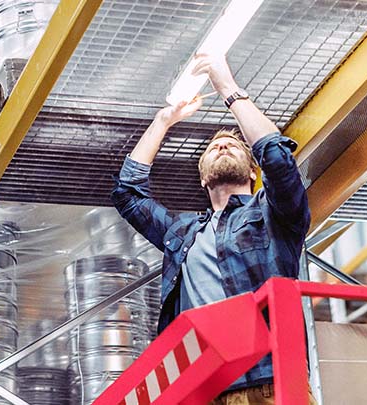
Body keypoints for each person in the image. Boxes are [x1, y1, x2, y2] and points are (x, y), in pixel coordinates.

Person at [111, 53, 316, 405]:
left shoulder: (272, 214)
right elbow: (128, 193)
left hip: (269, 382)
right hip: (200, 389)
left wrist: (227, 87)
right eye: (213, 147)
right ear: (203, 176)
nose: (222, 144)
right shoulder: (183, 233)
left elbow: (279, 160)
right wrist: (163, 120)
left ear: (253, 172)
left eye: (234, 145)